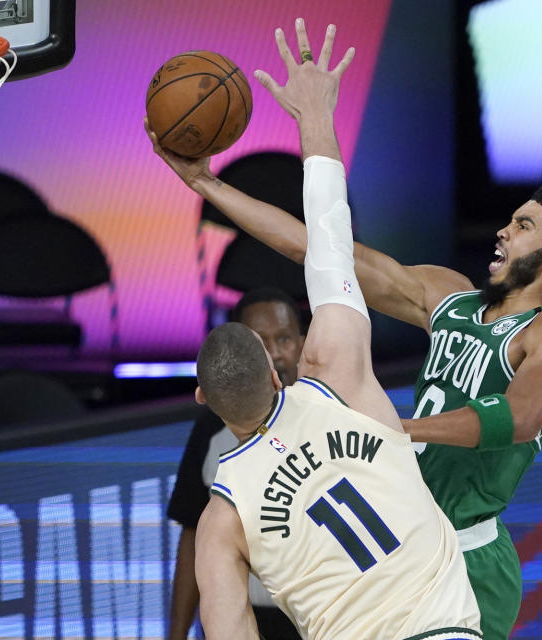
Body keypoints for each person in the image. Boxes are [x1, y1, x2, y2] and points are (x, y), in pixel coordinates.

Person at [145, 24, 542, 640]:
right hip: (400, 526)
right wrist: (205, 184)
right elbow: (318, 248)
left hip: (466, 551)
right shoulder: (449, 296)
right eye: (509, 220)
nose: (503, 231)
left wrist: (400, 431)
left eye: (524, 226)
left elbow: (516, 419)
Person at [165, 19, 482, 640]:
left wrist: (201, 182)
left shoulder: (221, 517)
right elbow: (328, 235)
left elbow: (230, 630)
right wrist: (314, 113)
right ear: (272, 356)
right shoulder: (339, 379)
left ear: (202, 399)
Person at [168, 287, 305, 640]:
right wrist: (176, 633)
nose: (274, 354)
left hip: (326, 619)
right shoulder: (210, 429)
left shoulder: (331, 415)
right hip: (245, 618)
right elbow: (192, 534)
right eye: (260, 343)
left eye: (285, 338)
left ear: (303, 343)